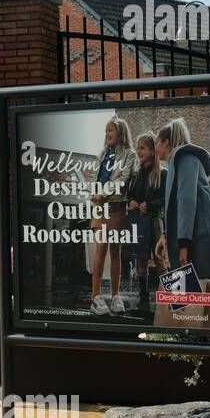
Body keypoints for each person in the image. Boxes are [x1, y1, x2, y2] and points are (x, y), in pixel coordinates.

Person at [155, 118, 210, 281]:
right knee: (190, 302)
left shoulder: (185, 159)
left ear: (166, 143)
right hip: (194, 243)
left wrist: (183, 248)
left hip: (196, 245)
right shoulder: (179, 162)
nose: (155, 148)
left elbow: (186, 202)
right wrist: (164, 236)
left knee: (199, 299)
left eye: (157, 143)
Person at [87, 116, 135, 315]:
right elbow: (95, 177)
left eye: (110, 130)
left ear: (120, 132)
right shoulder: (103, 154)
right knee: (100, 249)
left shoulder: (129, 154)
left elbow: (123, 180)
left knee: (116, 251)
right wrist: (94, 193)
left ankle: (115, 296)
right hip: (101, 207)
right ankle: (96, 297)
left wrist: (103, 194)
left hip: (116, 206)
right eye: (106, 131)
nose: (107, 134)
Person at [125, 131, 167, 319]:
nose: (138, 151)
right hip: (140, 222)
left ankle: (167, 296)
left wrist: (149, 205)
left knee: (159, 258)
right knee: (141, 258)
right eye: (137, 148)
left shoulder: (162, 173)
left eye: (142, 148)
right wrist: (131, 202)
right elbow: (130, 195)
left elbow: (165, 199)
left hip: (155, 220)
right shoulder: (136, 173)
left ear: (151, 150)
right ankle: (143, 297)